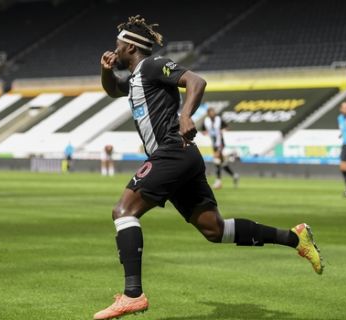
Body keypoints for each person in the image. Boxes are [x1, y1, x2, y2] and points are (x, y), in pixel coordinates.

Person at [95, 15, 324, 320]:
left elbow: (196, 81)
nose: (115, 50)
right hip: (180, 157)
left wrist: (186, 115)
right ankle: (296, 238)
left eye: (118, 45)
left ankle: (132, 294)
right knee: (214, 229)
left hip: (173, 151)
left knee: (123, 211)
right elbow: (113, 89)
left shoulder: (151, 66)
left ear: (131, 47)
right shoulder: (137, 77)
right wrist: (105, 70)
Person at [202, 107, 239, 189]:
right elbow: (203, 130)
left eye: (213, 112)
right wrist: (205, 133)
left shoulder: (219, 119)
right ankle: (234, 175)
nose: (213, 113)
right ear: (208, 113)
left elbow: (227, 127)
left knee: (217, 161)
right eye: (211, 112)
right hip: (214, 144)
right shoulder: (206, 121)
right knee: (221, 163)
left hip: (220, 143)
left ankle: (218, 182)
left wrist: (223, 130)